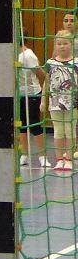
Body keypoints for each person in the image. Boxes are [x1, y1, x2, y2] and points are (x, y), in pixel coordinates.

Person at [47, 33, 76, 174]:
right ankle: (59, 159)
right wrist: (43, 101)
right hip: (55, 101)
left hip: (72, 102)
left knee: (70, 130)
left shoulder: (76, 62)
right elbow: (47, 82)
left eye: (65, 43)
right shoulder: (50, 63)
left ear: (71, 44)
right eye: (59, 44)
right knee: (58, 130)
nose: (62, 46)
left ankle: (69, 159)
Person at [20, 37, 47, 167]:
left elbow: (41, 74)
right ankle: (24, 154)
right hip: (18, 94)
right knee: (21, 125)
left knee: (34, 124)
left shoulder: (28, 55)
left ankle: (42, 156)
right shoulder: (10, 53)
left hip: (32, 94)